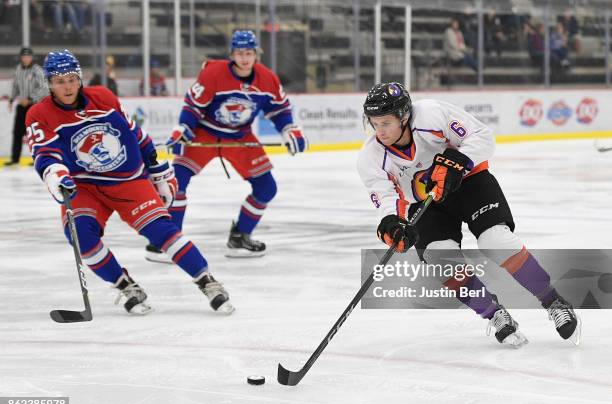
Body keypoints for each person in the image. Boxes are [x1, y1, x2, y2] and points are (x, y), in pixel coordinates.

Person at [357, 82, 581, 347]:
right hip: (426, 204)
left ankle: (553, 301)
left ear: (404, 116)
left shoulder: (431, 114)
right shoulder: (370, 157)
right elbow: (386, 198)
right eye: (374, 123)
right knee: (440, 257)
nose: (379, 131)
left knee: (496, 242)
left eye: (385, 123)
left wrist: (457, 161)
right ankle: (494, 314)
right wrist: (392, 224)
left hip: (470, 183)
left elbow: (482, 136)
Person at [25, 49, 234, 315]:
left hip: (127, 179)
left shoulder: (103, 97)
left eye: (70, 79)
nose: (66, 86)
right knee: (81, 238)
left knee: (162, 231)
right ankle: (126, 287)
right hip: (83, 185)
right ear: (50, 83)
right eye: (59, 80)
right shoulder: (39, 114)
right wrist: (56, 174)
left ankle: (208, 282)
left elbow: (136, 134)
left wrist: (157, 169)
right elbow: (45, 152)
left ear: (79, 79)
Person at [145, 30, 308, 261]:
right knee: (175, 183)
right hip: (204, 133)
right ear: (231, 54)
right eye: (239, 52)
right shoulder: (213, 73)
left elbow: (279, 109)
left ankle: (240, 237)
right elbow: (193, 106)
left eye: (249, 52)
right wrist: (184, 128)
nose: (244, 57)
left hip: (240, 137)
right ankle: (167, 241)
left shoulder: (268, 78)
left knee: (266, 188)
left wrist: (289, 129)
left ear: (256, 54)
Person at [7, 47, 47, 166]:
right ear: (21, 58)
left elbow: (43, 88)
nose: (26, 59)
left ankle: (38, 158)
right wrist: (11, 99)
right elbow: (15, 86)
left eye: (28, 56)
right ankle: (15, 159)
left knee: (34, 133)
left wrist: (30, 99)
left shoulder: (37, 70)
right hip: (21, 106)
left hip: (34, 106)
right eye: (24, 56)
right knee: (17, 132)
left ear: (31, 57)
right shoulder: (18, 69)